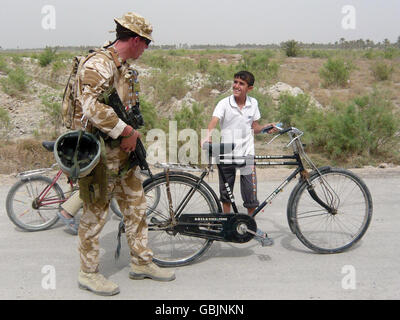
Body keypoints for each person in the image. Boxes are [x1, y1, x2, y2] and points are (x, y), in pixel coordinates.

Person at [72, 12, 175, 296]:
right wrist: (126, 131)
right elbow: (91, 108)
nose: (147, 49)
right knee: (95, 214)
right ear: (134, 39)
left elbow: (124, 108)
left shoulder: (123, 67)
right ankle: (88, 272)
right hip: (101, 156)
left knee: (136, 207)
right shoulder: (99, 64)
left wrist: (128, 133)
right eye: (146, 43)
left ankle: (141, 262)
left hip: (123, 155)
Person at [203, 70, 278, 246]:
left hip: (247, 153)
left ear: (249, 88)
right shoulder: (224, 103)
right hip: (227, 152)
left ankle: (249, 226)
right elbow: (214, 120)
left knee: (250, 194)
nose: (236, 86)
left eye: (241, 83)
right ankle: (228, 223)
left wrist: (266, 128)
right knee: (226, 192)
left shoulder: (253, 104)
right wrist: (208, 135)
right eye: (235, 82)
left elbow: (254, 127)